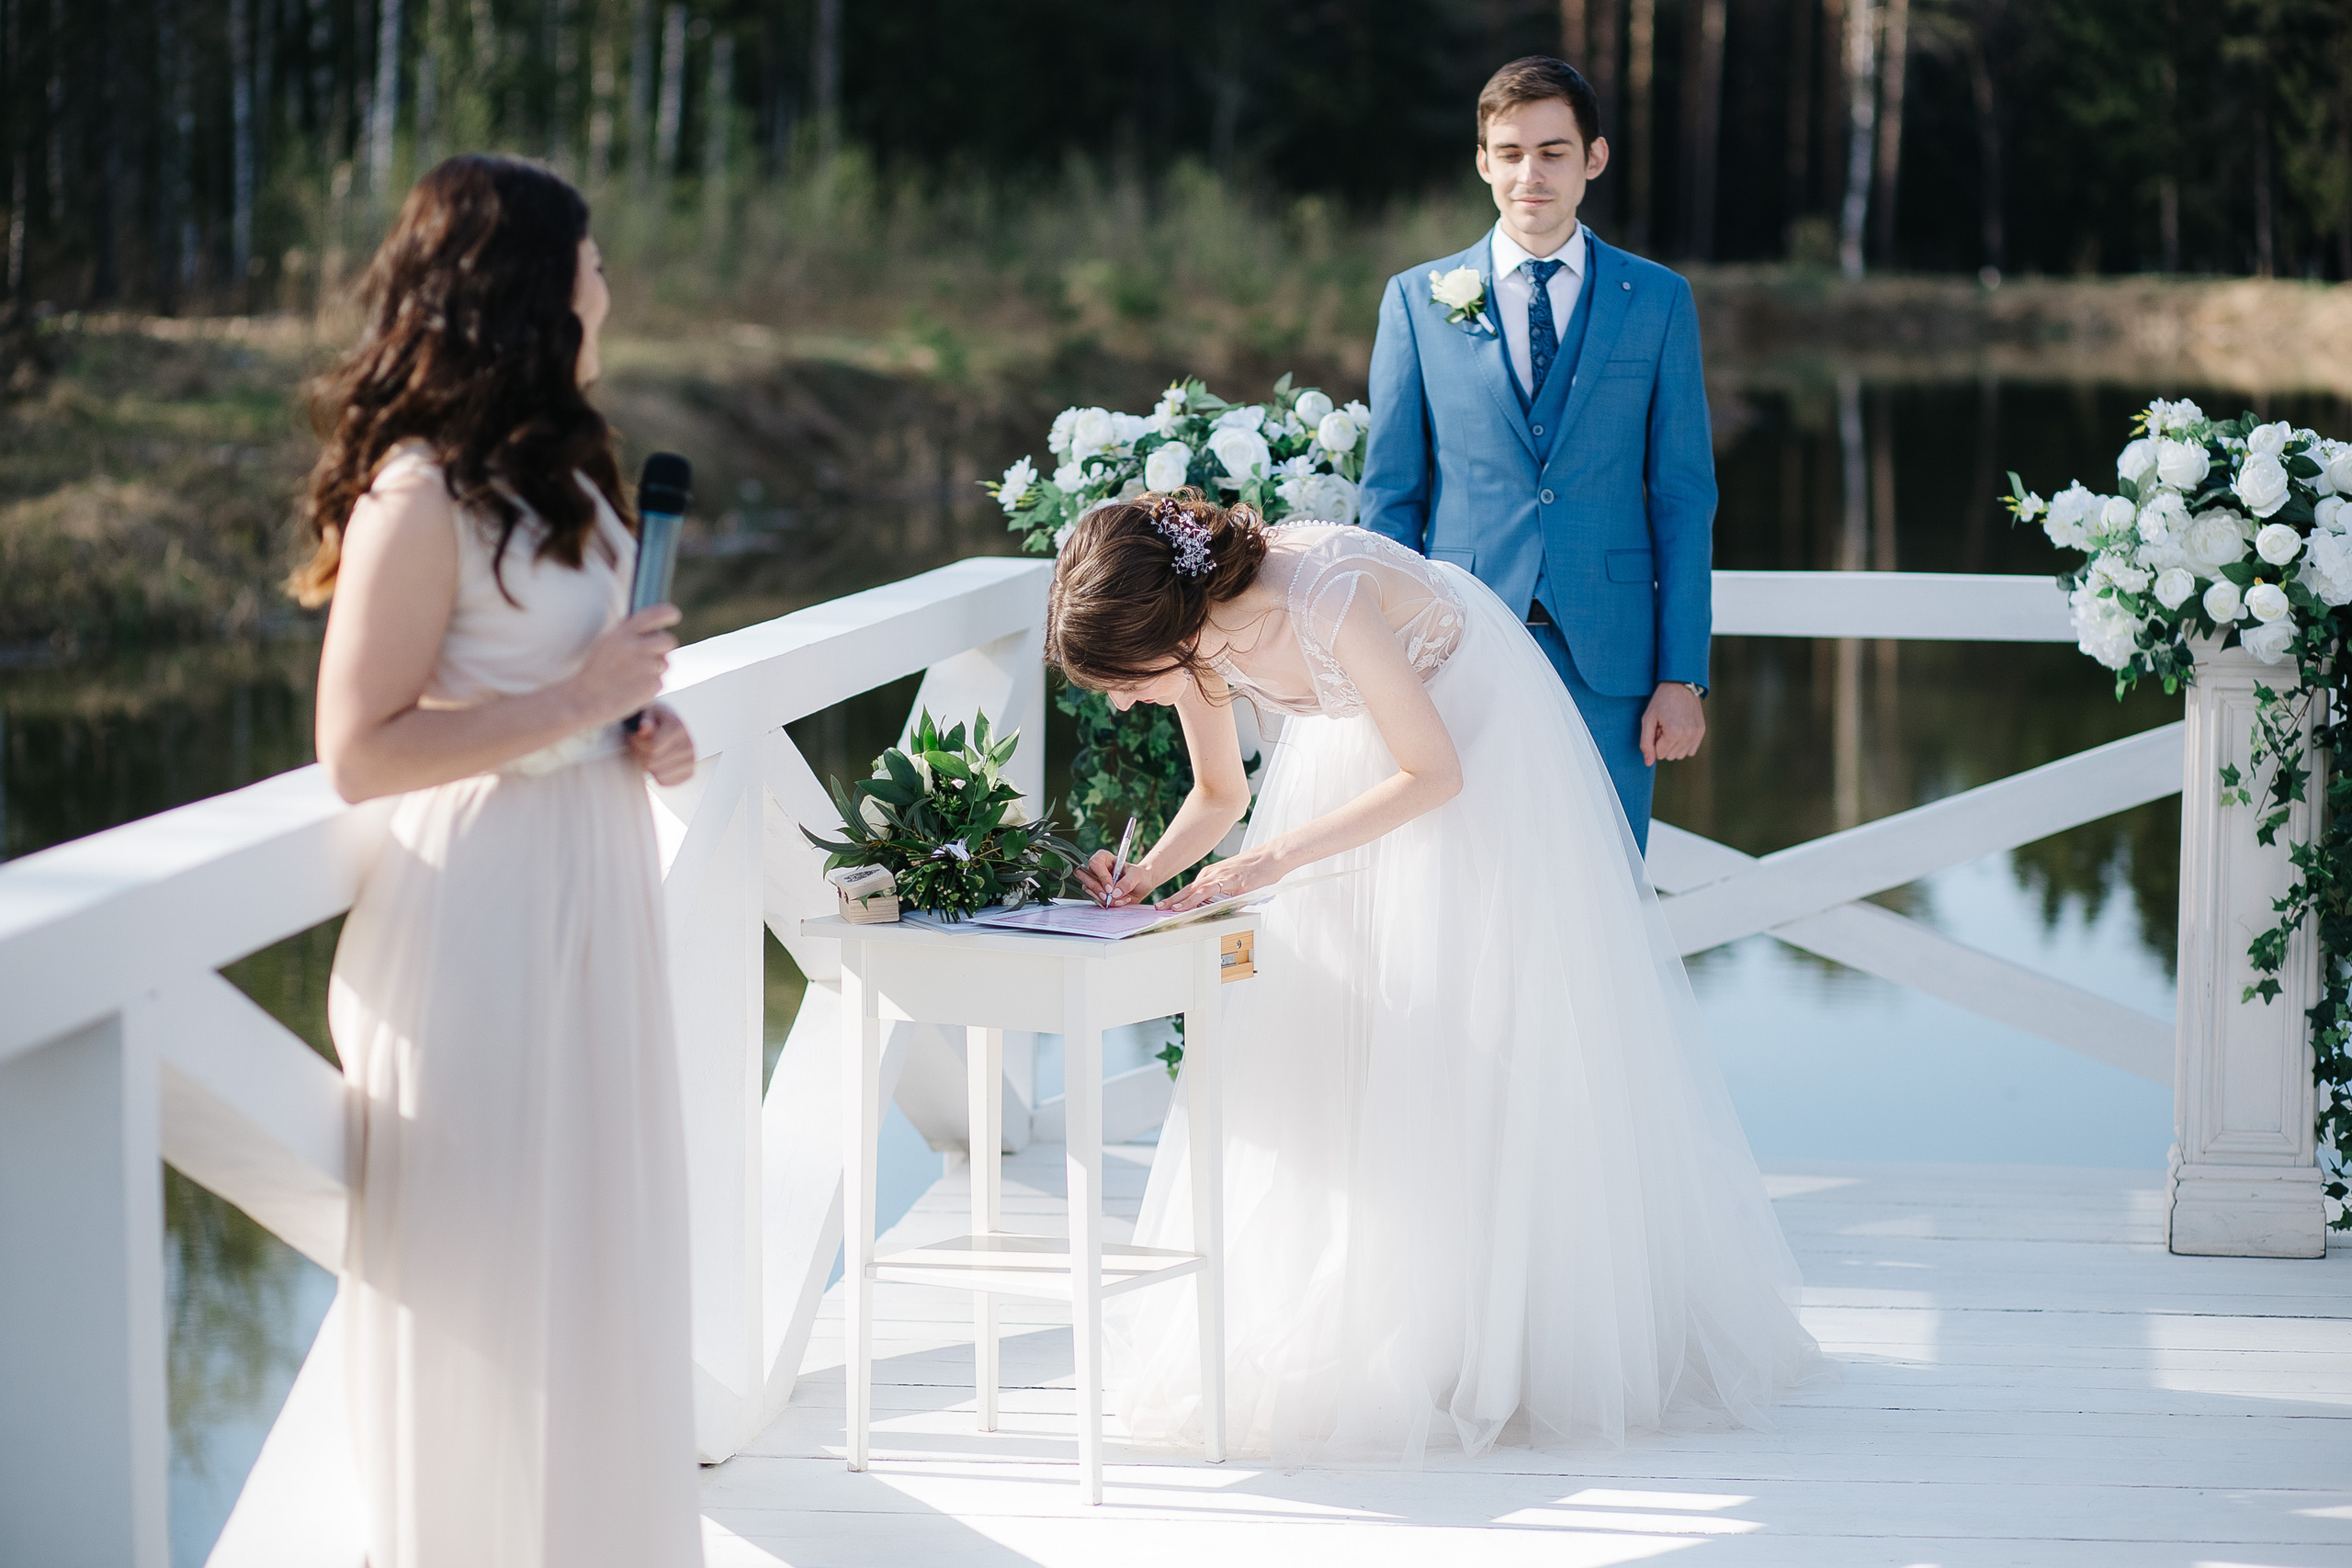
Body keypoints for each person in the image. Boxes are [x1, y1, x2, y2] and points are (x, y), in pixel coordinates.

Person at [1049, 491, 1824, 1464]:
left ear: (1170, 627)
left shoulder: (1322, 596)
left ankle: (1506, 1341)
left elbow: (1433, 774)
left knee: (1480, 1021)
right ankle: (1383, 1319)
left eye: (1124, 681)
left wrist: (1278, 860)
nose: (1122, 701)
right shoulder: (1197, 643)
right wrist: (1146, 876)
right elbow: (1220, 794)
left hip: (1468, 743)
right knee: (1346, 1040)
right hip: (1355, 755)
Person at [300, 154, 704, 1567]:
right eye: (589, 260)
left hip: (593, 893)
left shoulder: (572, 476)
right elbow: (358, 747)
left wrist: (639, 728)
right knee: (488, 1272)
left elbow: (579, 683)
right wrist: (574, 705)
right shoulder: (417, 495)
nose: (607, 284)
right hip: (481, 913)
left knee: (597, 1264)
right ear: (533, 284)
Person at [1360, 55, 1713, 855]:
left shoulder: (1658, 300)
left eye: (1553, 151)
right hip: (1457, 656)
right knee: (1470, 889)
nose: (1531, 173)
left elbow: (1684, 501)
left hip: (1615, 667)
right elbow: (1391, 501)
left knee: (1606, 893)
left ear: (1593, 158)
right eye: (1511, 152)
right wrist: (1389, 667)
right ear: (1484, 161)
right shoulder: (1416, 301)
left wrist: (1682, 674)